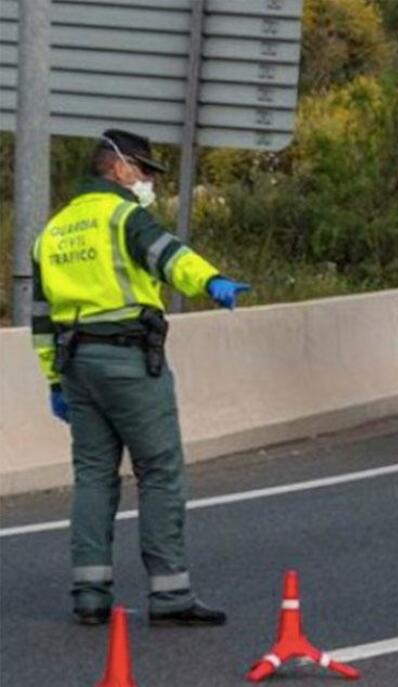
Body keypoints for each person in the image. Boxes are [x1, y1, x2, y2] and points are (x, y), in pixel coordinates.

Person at [30, 129, 250, 627]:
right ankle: (170, 596)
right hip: (128, 360)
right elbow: (169, 256)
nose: (148, 179)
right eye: (145, 169)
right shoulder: (123, 216)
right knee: (159, 471)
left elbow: (41, 317)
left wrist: (54, 382)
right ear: (119, 166)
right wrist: (213, 282)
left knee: (92, 477)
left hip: (76, 366)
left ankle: (90, 594)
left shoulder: (53, 232)